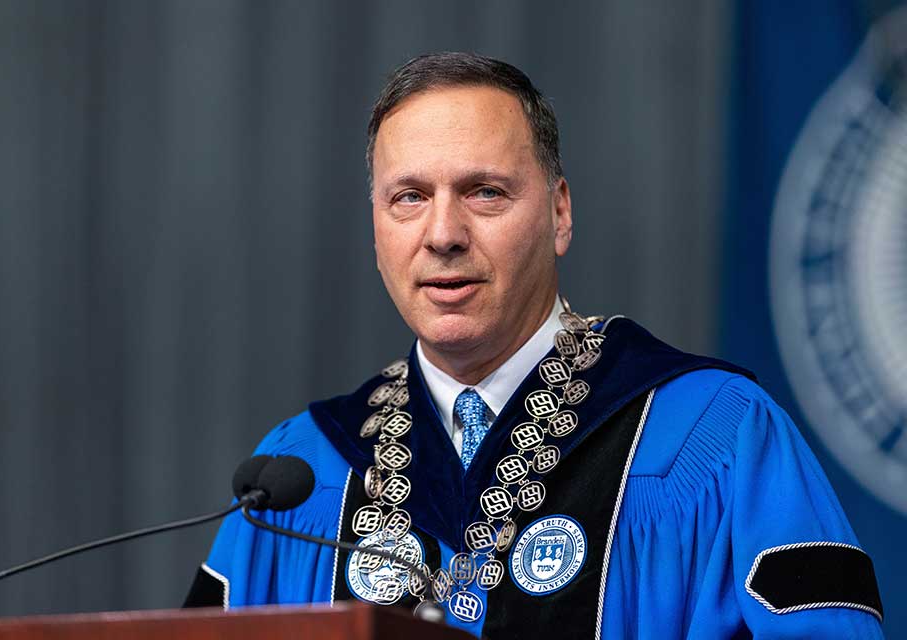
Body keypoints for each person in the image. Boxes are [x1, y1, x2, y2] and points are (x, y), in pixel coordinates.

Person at [184, 52, 884, 639]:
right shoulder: (300, 472)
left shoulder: (714, 436)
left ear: (559, 214)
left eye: (485, 192)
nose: (443, 234)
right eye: (408, 197)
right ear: (375, 230)